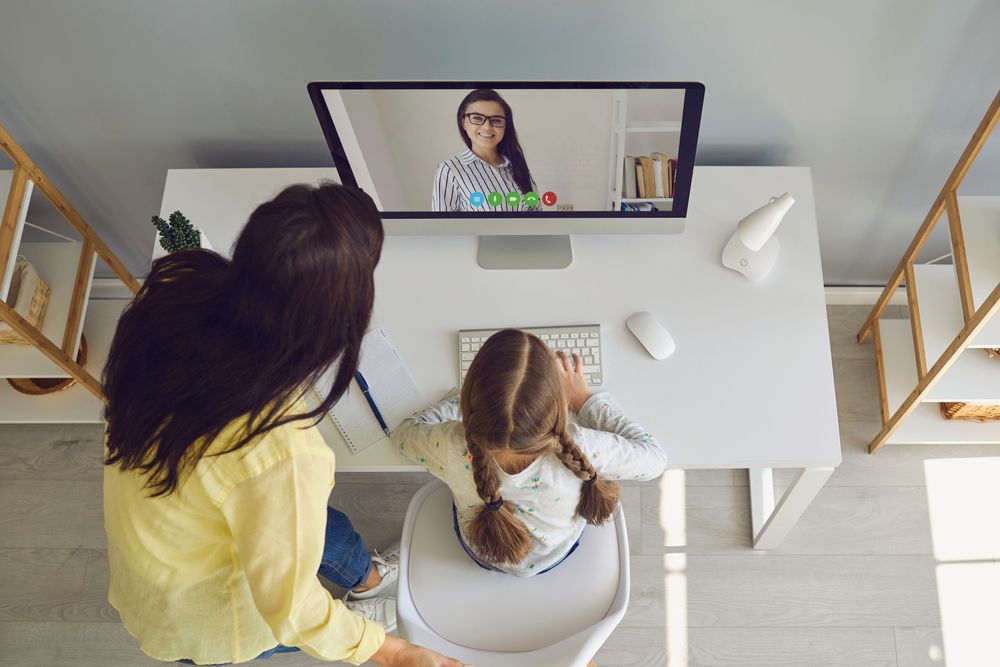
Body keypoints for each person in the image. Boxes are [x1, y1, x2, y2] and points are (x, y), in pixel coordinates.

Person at [102, 183, 468, 667]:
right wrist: (395, 653)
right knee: (302, 601)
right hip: (204, 606)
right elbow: (292, 611)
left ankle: (367, 579)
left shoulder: (180, 287)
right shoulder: (280, 454)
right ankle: (365, 615)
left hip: (168, 519)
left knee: (313, 519)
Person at [392, 329, 667, 575]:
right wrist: (584, 400)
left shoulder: (452, 443)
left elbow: (403, 436)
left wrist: (460, 403)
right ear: (558, 405)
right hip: (555, 553)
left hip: (482, 550)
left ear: (472, 402)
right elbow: (655, 458)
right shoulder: (585, 448)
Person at [431, 88, 541, 212]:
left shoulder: (516, 165)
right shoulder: (449, 170)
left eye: (496, 120)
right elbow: (443, 228)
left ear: (505, 126)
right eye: (477, 118)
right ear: (463, 123)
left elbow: (537, 214)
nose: (487, 126)